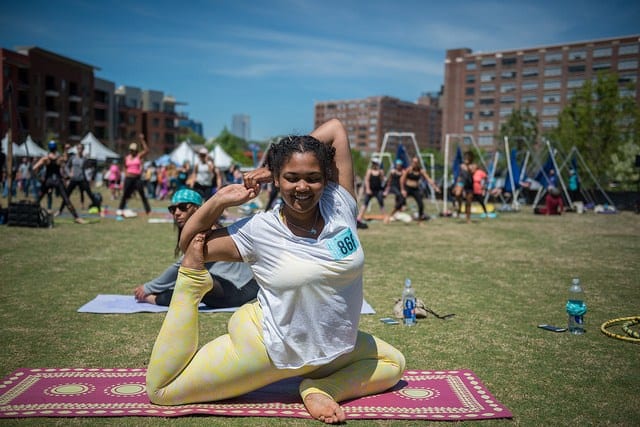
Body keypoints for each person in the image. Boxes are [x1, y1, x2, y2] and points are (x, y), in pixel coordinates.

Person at [146, 119, 405, 424]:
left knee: (393, 362)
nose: (302, 187)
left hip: (334, 348)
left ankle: (320, 388)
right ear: (279, 183)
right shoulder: (259, 229)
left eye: (313, 178)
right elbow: (189, 243)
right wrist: (218, 201)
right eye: (291, 178)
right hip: (267, 348)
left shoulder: (339, 204)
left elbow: (336, 128)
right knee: (163, 390)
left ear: (325, 178)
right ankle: (192, 288)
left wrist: (272, 167)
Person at [133, 188, 258, 308]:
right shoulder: (198, 231)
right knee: (189, 282)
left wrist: (148, 288)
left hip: (240, 289)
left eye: (182, 207)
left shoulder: (209, 231)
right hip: (227, 287)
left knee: (191, 281)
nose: (177, 213)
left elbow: (180, 267)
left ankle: (153, 299)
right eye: (172, 209)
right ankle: (156, 297)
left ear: (197, 209)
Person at [33, 141, 85, 224]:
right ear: (56, 148)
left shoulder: (45, 158)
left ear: (49, 148)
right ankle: (76, 217)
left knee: (38, 199)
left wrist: (39, 178)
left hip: (48, 181)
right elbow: (65, 159)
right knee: (66, 199)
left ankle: (30, 214)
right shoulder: (59, 158)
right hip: (57, 180)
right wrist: (65, 149)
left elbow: (34, 168)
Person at [57, 143, 101, 215]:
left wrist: (91, 177)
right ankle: (60, 211)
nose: (79, 150)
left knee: (90, 194)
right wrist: (69, 174)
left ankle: (99, 209)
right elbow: (66, 166)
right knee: (67, 195)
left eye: (81, 148)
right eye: (78, 148)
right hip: (74, 179)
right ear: (77, 149)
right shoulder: (73, 157)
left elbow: (91, 167)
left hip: (82, 179)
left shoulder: (84, 159)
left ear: (83, 149)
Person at [117, 134, 151, 217]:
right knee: (125, 194)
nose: (132, 151)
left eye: (134, 150)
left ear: (136, 150)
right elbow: (125, 167)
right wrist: (125, 173)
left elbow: (147, 150)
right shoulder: (127, 157)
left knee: (142, 194)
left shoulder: (138, 156)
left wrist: (142, 140)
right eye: (131, 150)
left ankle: (148, 210)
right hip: (128, 178)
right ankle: (120, 209)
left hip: (137, 178)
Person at [400, 156, 440, 221]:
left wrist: (435, 187)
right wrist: (402, 189)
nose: (414, 164)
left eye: (416, 162)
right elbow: (401, 179)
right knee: (400, 203)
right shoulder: (409, 169)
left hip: (415, 189)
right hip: (407, 188)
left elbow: (428, 179)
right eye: (413, 162)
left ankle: (420, 221)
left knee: (421, 204)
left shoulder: (421, 170)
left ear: (418, 163)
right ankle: (390, 216)